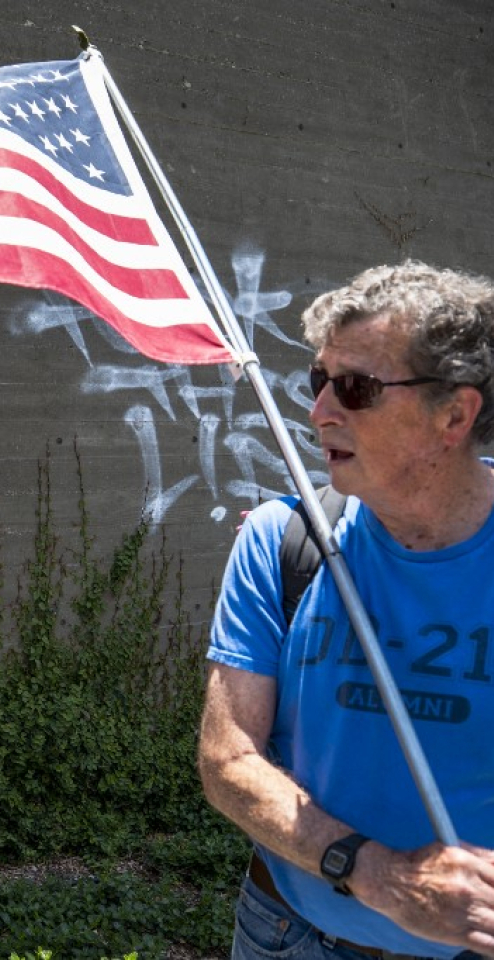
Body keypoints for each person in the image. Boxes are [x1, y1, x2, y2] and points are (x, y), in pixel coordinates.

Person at [199, 260, 494, 960]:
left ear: (454, 413)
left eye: (356, 388)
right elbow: (227, 757)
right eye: (319, 381)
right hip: (288, 933)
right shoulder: (285, 540)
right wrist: (374, 874)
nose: (320, 410)